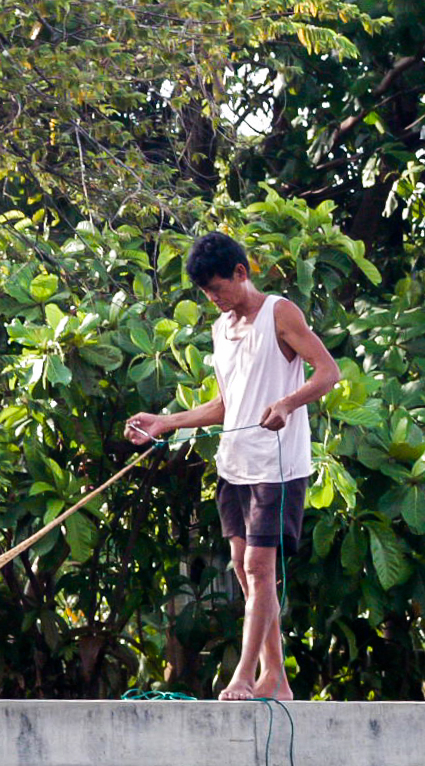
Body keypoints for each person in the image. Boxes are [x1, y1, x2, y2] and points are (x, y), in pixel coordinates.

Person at [124, 231, 341, 700]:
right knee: (245, 573)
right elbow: (226, 405)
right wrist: (164, 422)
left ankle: (243, 676)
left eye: (218, 288)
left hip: (277, 466)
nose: (214, 299)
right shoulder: (221, 329)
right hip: (235, 465)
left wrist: (288, 402)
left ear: (241, 274)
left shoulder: (280, 313)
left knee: (260, 569)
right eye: (205, 292)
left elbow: (328, 372)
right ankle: (276, 679)